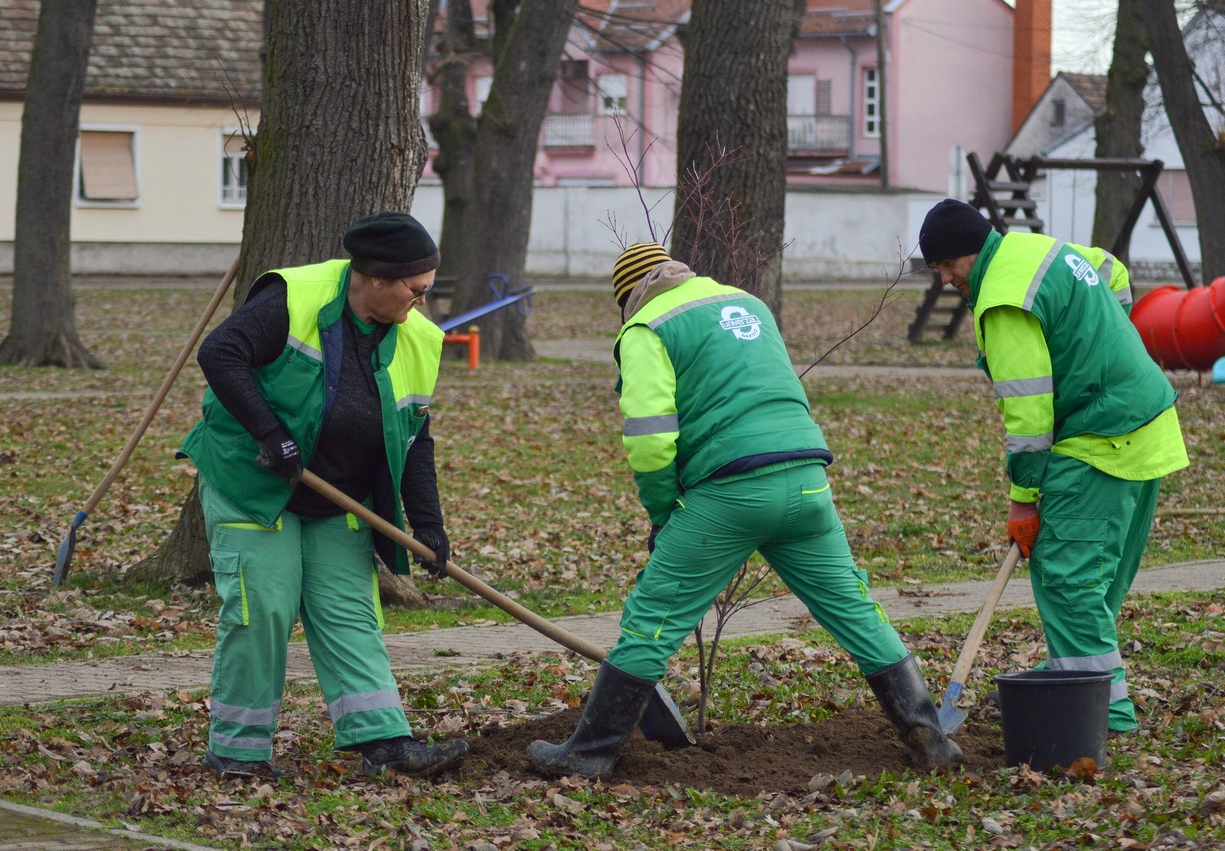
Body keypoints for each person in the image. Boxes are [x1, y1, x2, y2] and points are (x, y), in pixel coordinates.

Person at [526, 243, 964, 779]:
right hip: (806, 481)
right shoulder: (747, 303)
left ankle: (588, 754)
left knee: (654, 617)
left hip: (729, 492)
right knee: (853, 608)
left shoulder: (645, 328)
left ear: (629, 296)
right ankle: (928, 737)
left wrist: (664, 513)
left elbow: (649, 439)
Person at [178, 211, 469, 778]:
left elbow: (415, 438)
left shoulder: (417, 338)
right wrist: (271, 434)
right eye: (415, 289)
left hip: (341, 497)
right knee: (262, 606)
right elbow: (220, 353)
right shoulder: (296, 297)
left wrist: (428, 525)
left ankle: (385, 746)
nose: (422, 301)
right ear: (377, 278)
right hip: (254, 482)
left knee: (350, 612)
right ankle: (236, 754)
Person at [918, 199, 1190, 733]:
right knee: (1095, 580)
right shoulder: (1037, 249)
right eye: (937, 270)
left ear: (970, 252)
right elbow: (1112, 270)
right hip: (1149, 426)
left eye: (948, 266)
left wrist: (1024, 497)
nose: (946, 279)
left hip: (1100, 439)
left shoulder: (1000, 300)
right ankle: (1077, 679)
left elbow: (1027, 411)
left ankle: (1103, 715)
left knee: (1069, 580)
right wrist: (1102, 336)